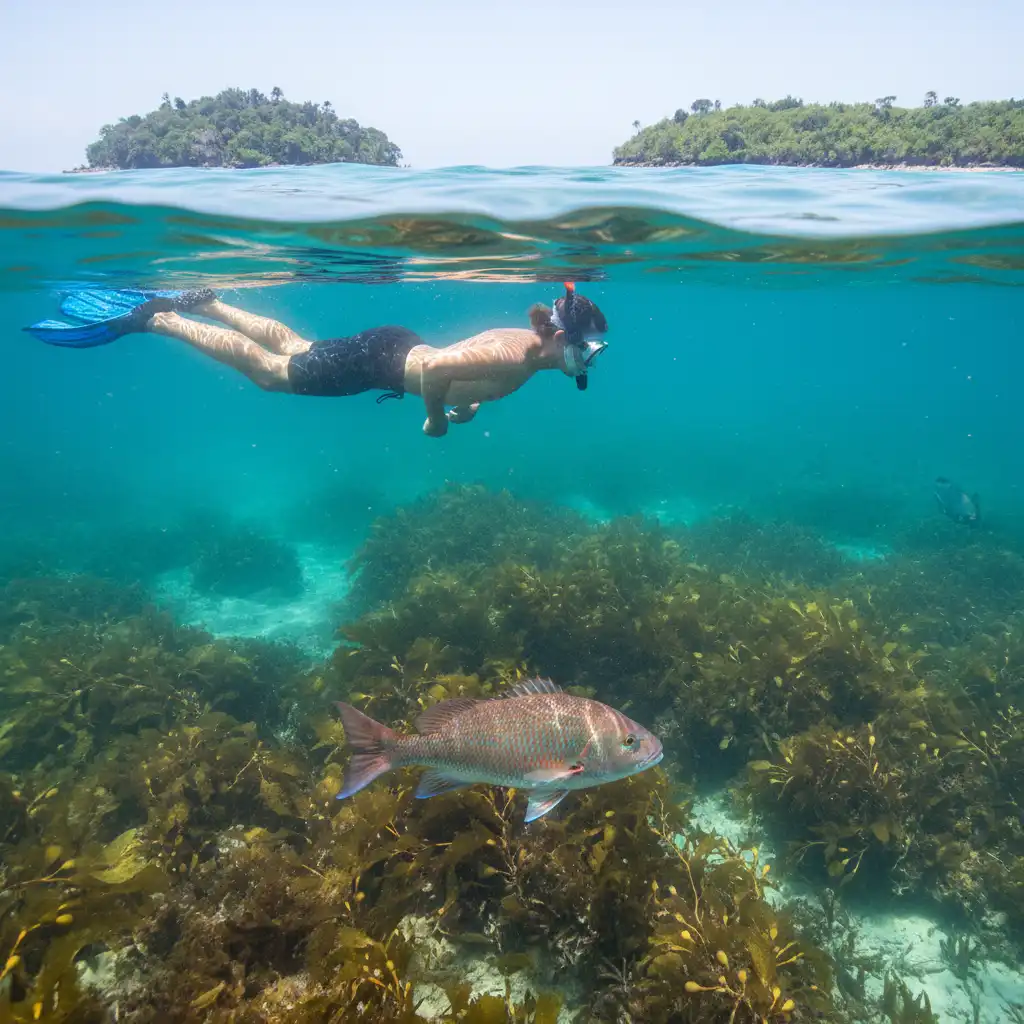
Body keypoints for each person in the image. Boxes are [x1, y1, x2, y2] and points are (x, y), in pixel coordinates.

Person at [24, 284, 608, 438]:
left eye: (595, 351)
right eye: (587, 349)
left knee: (297, 345)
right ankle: (160, 318)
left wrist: (469, 401)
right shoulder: (517, 356)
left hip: (391, 345)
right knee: (270, 373)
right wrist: (433, 418)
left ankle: (213, 302)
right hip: (382, 366)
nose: (589, 360)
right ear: (561, 337)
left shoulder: (525, 347)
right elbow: (437, 372)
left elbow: (458, 364)